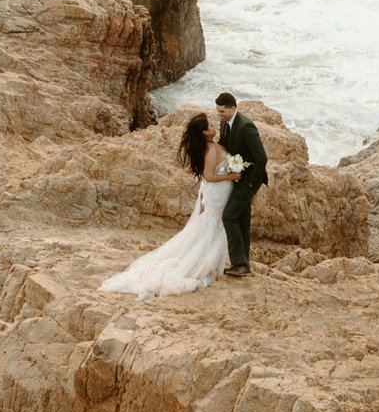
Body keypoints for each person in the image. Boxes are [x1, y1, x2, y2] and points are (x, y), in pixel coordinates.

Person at [97, 114, 245, 299]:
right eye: (210, 126)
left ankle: (215, 262)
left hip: (218, 192)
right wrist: (231, 176)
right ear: (205, 132)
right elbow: (208, 176)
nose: (214, 126)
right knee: (213, 225)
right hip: (218, 192)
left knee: (214, 225)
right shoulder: (211, 150)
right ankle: (207, 264)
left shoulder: (211, 146)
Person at [212, 92, 269, 278]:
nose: (219, 115)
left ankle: (238, 263)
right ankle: (245, 263)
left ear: (233, 108)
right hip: (237, 175)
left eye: (222, 111)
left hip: (250, 178)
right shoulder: (224, 123)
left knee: (228, 216)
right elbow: (224, 144)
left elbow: (261, 157)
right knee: (242, 218)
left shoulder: (246, 126)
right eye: (218, 111)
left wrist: (252, 181)